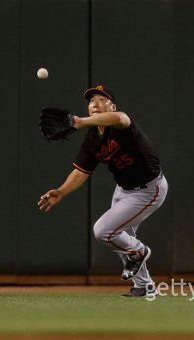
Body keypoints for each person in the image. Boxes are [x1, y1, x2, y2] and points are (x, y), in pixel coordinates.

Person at [38, 85, 168, 297]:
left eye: (101, 99)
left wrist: (79, 122)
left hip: (148, 189)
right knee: (121, 236)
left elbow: (120, 118)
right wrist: (60, 192)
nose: (95, 104)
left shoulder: (121, 124)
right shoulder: (93, 138)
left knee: (104, 231)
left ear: (113, 106)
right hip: (124, 190)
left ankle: (140, 251)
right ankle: (144, 286)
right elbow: (81, 171)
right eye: (91, 101)